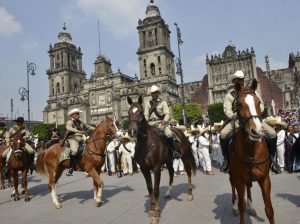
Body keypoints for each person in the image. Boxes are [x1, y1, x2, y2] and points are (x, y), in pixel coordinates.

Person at [219, 70, 279, 174]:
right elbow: (227, 110)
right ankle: (226, 160)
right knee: (223, 134)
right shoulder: (230, 95)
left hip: (253, 118)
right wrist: (235, 115)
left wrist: (255, 113)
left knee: (272, 134)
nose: (240, 81)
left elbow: (260, 105)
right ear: (234, 81)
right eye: (238, 80)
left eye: (242, 79)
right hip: (237, 120)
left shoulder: (252, 91)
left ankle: (272, 160)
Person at [144, 85, 181, 159]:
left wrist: (164, 120)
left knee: (169, 134)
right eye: (152, 93)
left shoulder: (163, 102)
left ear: (158, 93)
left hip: (160, 123)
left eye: (155, 92)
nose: (153, 94)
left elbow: (167, 114)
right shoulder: (148, 103)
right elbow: (146, 115)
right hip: (150, 123)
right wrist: (145, 122)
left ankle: (173, 151)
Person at [65, 108, 95, 176]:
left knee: (90, 148)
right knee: (75, 151)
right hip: (73, 138)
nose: (79, 115)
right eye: (77, 114)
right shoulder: (70, 122)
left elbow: (88, 126)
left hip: (81, 138)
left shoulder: (80, 122)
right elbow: (68, 128)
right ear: (73, 115)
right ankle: (70, 168)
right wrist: (78, 131)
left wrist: (97, 128)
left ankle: (86, 166)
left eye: (78, 114)